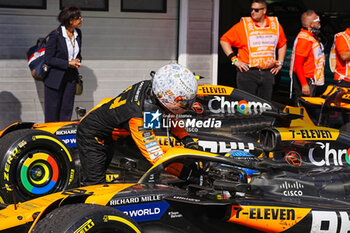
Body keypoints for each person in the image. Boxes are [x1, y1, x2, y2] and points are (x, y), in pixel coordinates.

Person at [76, 63, 200, 185]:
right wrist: (187, 174)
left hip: (114, 130)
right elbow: (156, 157)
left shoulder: (151, 88)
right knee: (95, 184)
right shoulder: (138, 116)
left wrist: (186, 139)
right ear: (166, 96)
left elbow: (168, 115)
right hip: (93, 136)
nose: (187, 106)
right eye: (184, 103)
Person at [220, 0, 287, 100]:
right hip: (248, 73)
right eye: (251, 9)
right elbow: (224, 40)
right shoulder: (244, 25)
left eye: (256, 10)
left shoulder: (275, 25)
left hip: (268, 73)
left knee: (265, 106)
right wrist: (234, 60)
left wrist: (280, 62)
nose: (252, 12)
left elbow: (282, 43)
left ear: (264, 11)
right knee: (247, 106)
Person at [44, 6, 83, 122]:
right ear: (70, 20)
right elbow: (49, 59)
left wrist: (77, 61)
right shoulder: (55, 35)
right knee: (52, 112)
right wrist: (67, 63)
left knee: (66, 110)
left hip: (70, 77)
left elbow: (78, 54)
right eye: (79, 17)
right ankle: (50, 138)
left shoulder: (78, 33)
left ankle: (62, 137)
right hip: (54, 79)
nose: (82, 19)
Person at [289, 10, 325, 100]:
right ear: (311, 24)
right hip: (306, 79)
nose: (319, 21)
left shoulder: (311, 37)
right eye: (317, 19)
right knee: (303, 108)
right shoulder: (305, 40)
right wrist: (304, 84)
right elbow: (298, 64)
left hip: (311, 79)